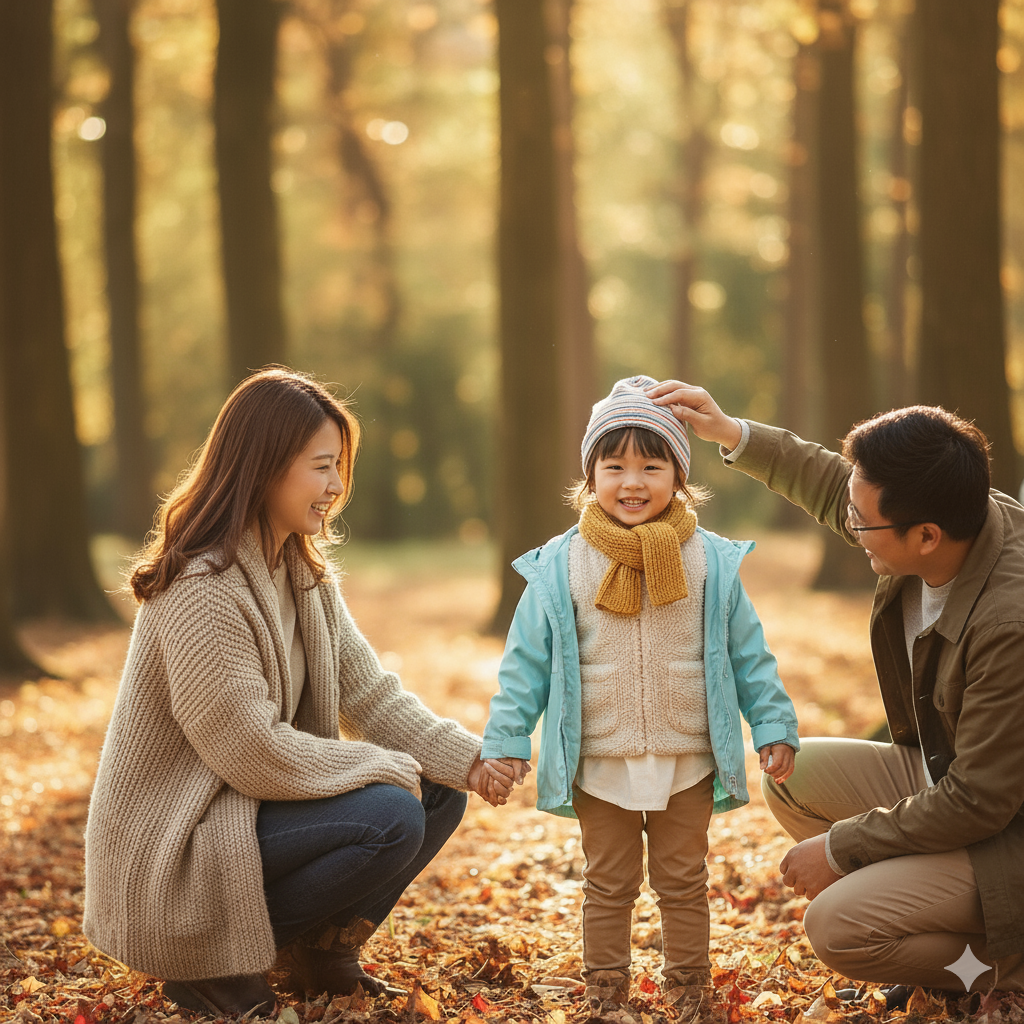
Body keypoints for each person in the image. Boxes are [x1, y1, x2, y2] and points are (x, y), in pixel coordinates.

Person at [83, 368, 513, 1018]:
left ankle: (322, 956)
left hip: (242, 810)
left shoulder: (301, 575)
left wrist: (471, 760)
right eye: (321, 466)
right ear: (264, 467)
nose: (336, 485)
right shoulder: (201, 588)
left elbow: (372, 696)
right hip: (180, 844)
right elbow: (250, 750)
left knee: (437, 791)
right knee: (392, 813)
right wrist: (379, 765)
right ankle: (212, 968)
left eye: (339, 466)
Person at [646, 379, 1024, 998]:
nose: (849, 524)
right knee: (792, 776)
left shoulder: (1008, 623)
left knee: (837, 927)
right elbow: (834, 485)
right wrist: (730, 432)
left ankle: (995, 970)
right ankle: (929, 927)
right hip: (952, 779)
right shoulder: (950, 510)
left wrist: (843, 849)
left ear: (926, 536)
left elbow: (981, 802)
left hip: (1005, 832)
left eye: (861, 521)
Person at [480, 376, 800, 1022]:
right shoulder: (562, 565)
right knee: (608, 881)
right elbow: (525, 664)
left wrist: (772, 723)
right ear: (590, 475)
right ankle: (606, 991)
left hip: (687, 756)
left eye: (652, 467)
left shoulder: (708, 562)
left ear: (679, 476)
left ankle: (688, 988)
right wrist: (507, 742)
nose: (633, 482)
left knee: (684, 880)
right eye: (615, 466)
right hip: (600, 759)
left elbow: (748, 653)